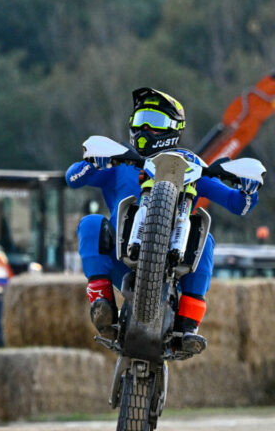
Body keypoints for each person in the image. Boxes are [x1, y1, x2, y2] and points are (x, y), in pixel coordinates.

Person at [69, 87, 260, 354]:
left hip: (175, 263)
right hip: (120, 258)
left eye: (155, 122)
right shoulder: (121, 161)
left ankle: (188, 325)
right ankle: (102, 302)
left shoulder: (192, 166)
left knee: (207, 241)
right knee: (90, 223)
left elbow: (237, 204)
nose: (145, 128)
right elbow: (73, 178)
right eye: (140, 120)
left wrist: (248, 190)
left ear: (173, 128)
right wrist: (92, 163)